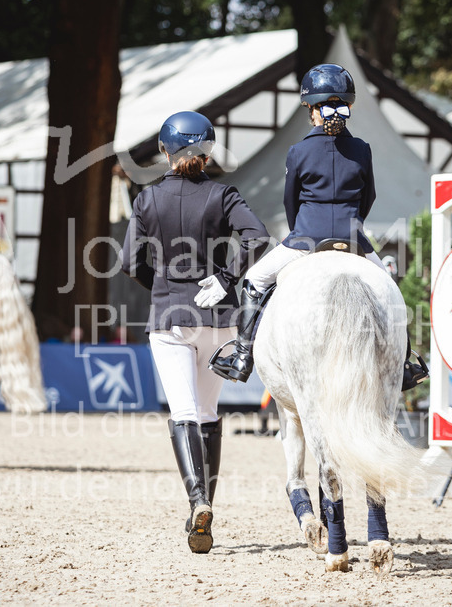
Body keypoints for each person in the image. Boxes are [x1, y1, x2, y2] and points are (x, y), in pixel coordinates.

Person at [209, 63, 428, 389]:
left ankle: (242, 357)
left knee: (255, 278)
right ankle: (406, 364)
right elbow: (369, 197)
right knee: (389, 289)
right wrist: (353, 227)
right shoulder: (362, 150)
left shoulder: (298, 151)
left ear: (312, 110)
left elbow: (290, 201)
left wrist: (300, 232)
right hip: (354, 240)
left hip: (306, 239)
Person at [121, 110, 270, 554]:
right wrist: (226, 277)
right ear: (208, 151)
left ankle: (198, 501)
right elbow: (258, 237)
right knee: (207, 413)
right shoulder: (223, 194)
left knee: (183, 411)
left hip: (170, 317)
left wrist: (162, 288)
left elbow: (129, 262)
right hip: (218, 318)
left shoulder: (147, 199)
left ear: (164, 151)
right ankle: (203, 512)